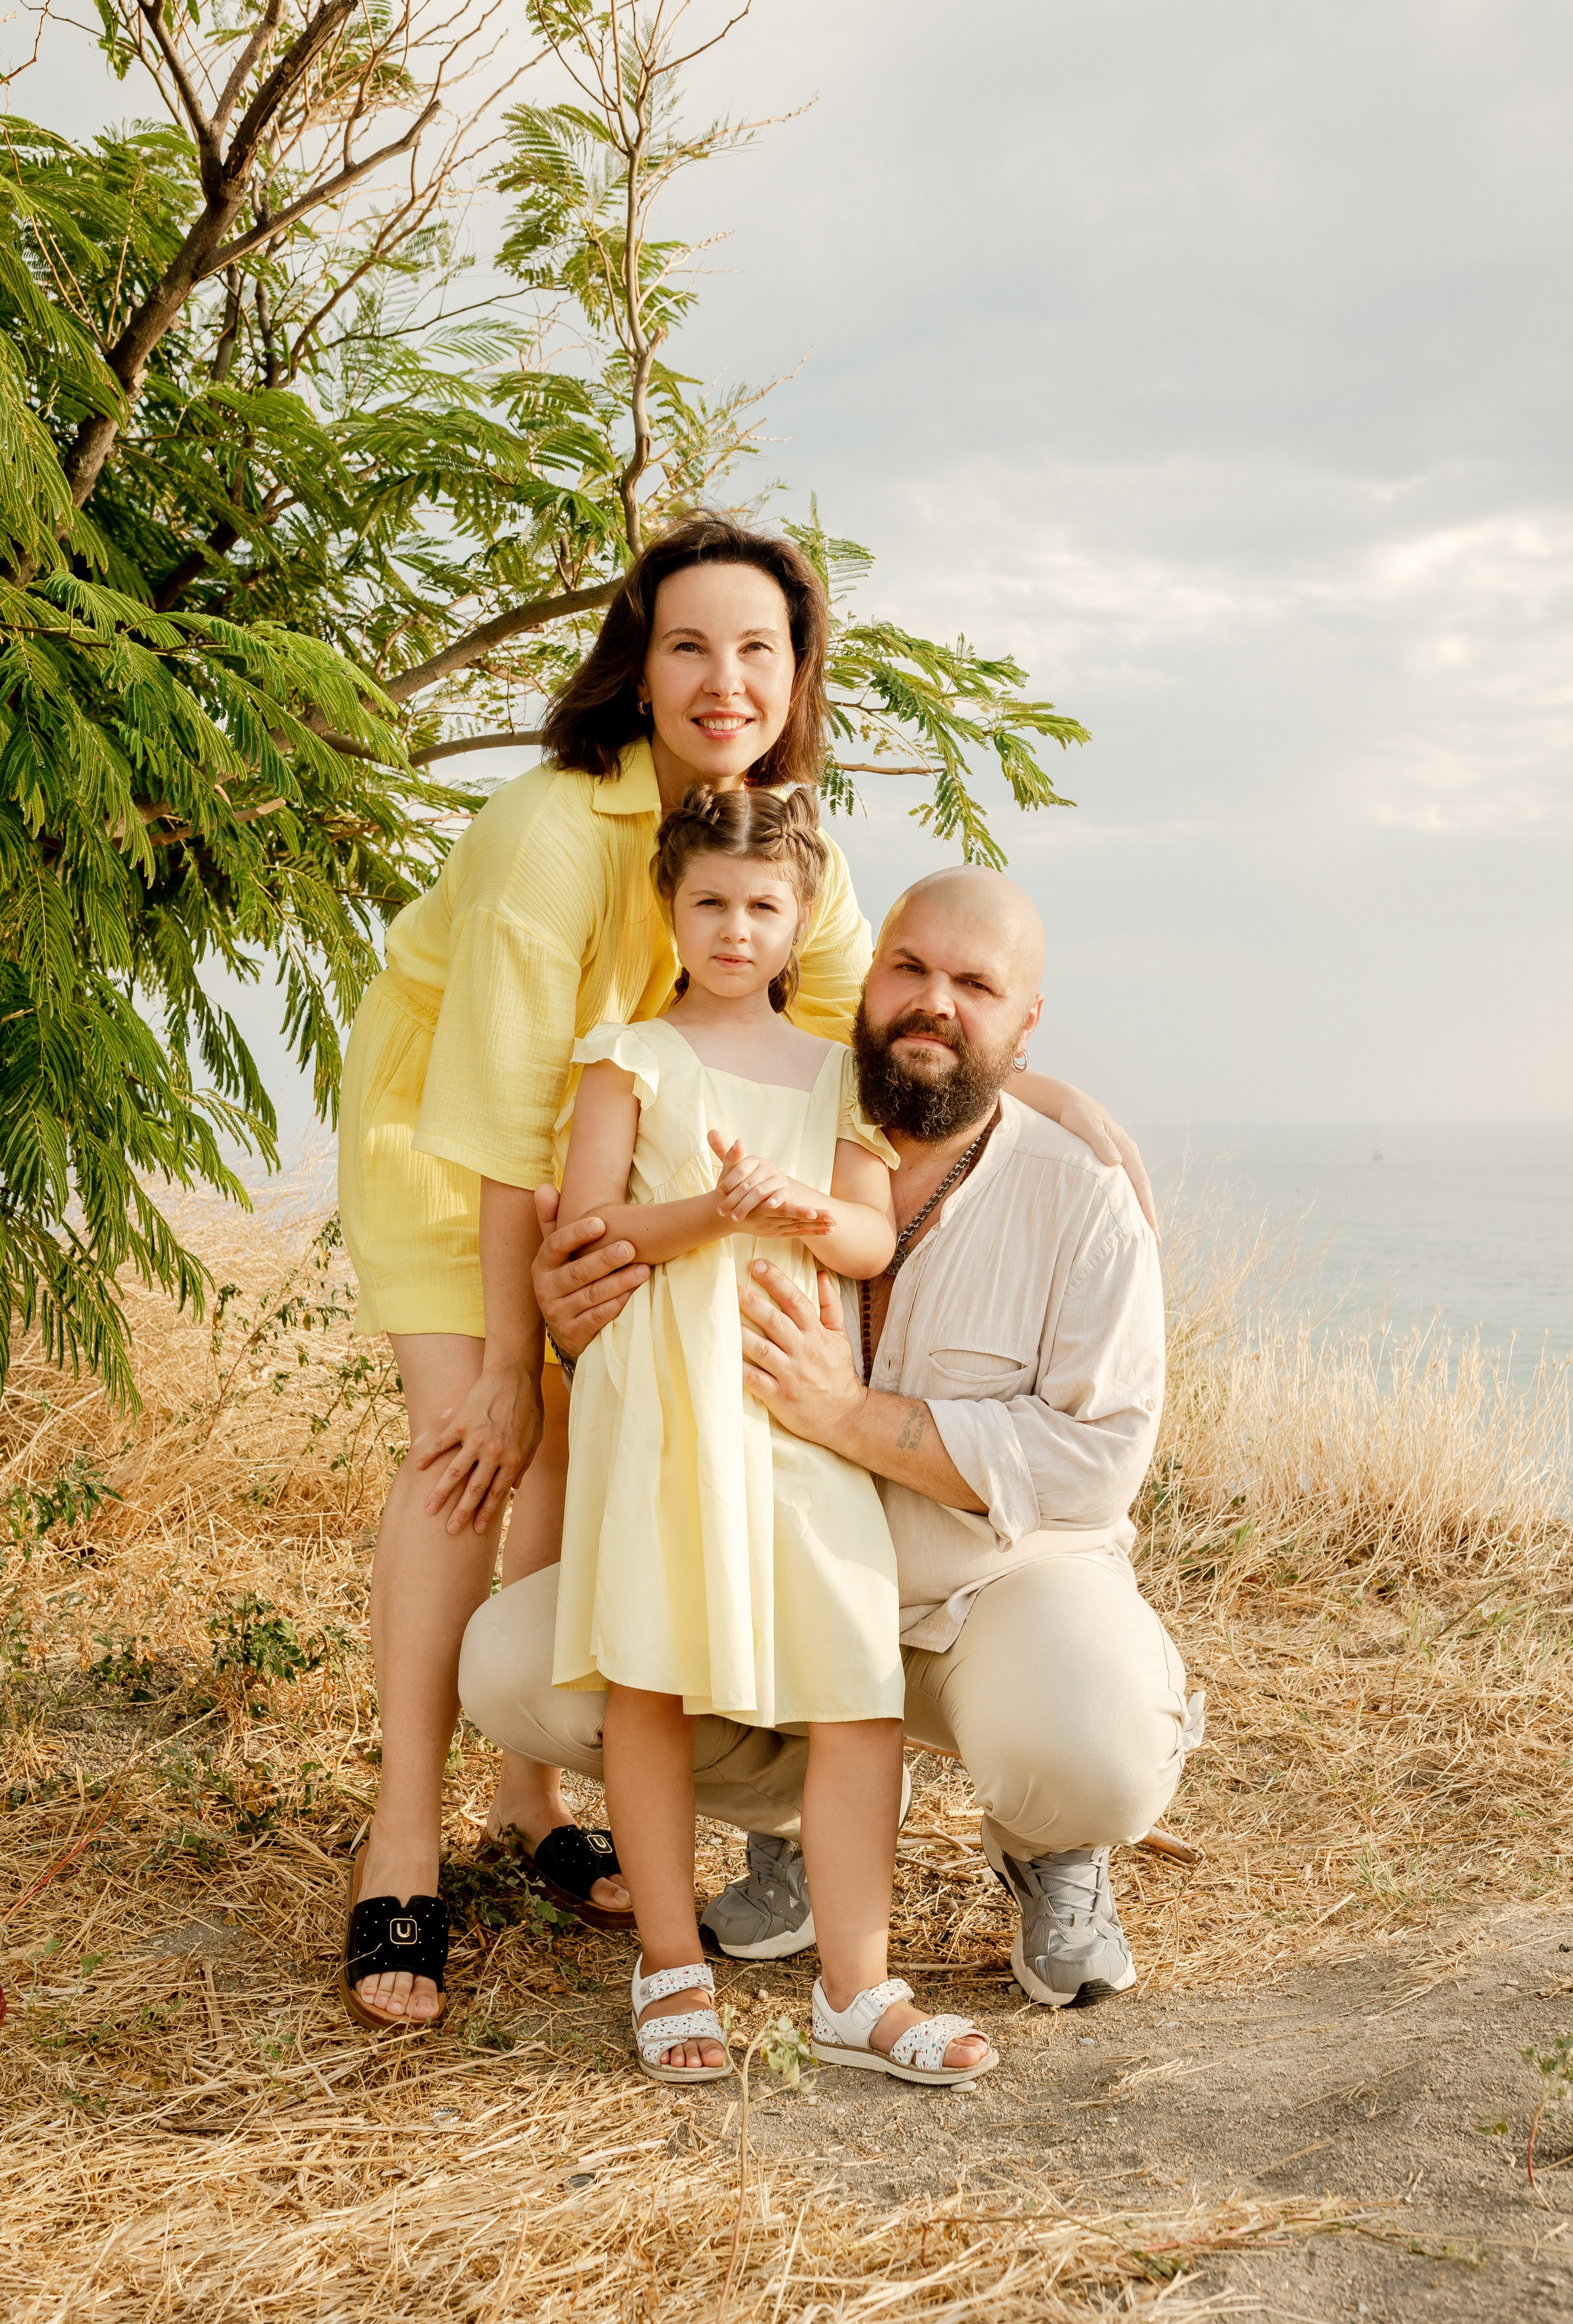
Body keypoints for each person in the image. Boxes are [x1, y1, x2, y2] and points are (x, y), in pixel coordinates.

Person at [335, 507, 1155, 2030]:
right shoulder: (544, 837)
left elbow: (867, 1026)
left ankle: (529, 1802)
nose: (725, 681)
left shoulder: (782, 838)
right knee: (481, 1441)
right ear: (637, 669)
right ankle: (402, 1850)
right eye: (688, 646)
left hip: (643, 1158)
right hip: (457, 1134)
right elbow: (504, 1135)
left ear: (795, 674)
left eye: (758, 650)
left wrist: (1038, 1087)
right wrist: (515, 1355)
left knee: (584, 1443)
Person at [458, 866, 1201, 2013]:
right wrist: (575, 1317)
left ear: (1026, 1023)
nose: (934, 1002)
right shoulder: (767, 1122)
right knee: (516, 1665)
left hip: (990, 1588)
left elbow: (1096, 1462)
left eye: (976, 986)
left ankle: (1052, 1843)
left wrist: (852, 1417)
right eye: (909, 969)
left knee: (1088, 1753)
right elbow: (641, 1322)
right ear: (863, 984)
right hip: (776, 1568)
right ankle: (806, 1826)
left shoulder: (1081, 1197)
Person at [552, 783, 994, 2086]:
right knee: (651, 1679)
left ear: (799, 921)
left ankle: (857, 1991)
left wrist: (791, 1205)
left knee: (852, 1684)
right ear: (671, 907)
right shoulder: (628, 1057)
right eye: (709, 902)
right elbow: (590, 1227)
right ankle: (670, 1964)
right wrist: (714, 1210)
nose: (734, 930)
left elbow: (863, 1238)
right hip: (664, 1406)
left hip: (790, 1399)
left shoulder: (831, 1072)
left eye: (761, 906)